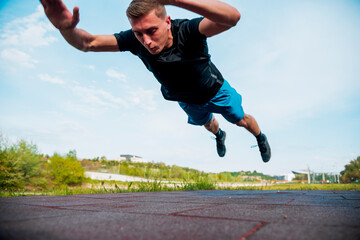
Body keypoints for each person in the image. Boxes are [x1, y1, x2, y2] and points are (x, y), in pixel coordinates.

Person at [40, 0, 271, 162]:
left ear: (167, 21)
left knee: (240, 120)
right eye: (139, 33)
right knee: (209, 125)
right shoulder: (134, 40)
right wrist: (65, 29)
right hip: (186, 100)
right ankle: (219, 136)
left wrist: (177, 0)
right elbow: (87, 43)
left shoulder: (188, 30)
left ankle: (260, 137)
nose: (147, 41)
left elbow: (232, 17)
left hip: (216, 91)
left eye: (152, 30)